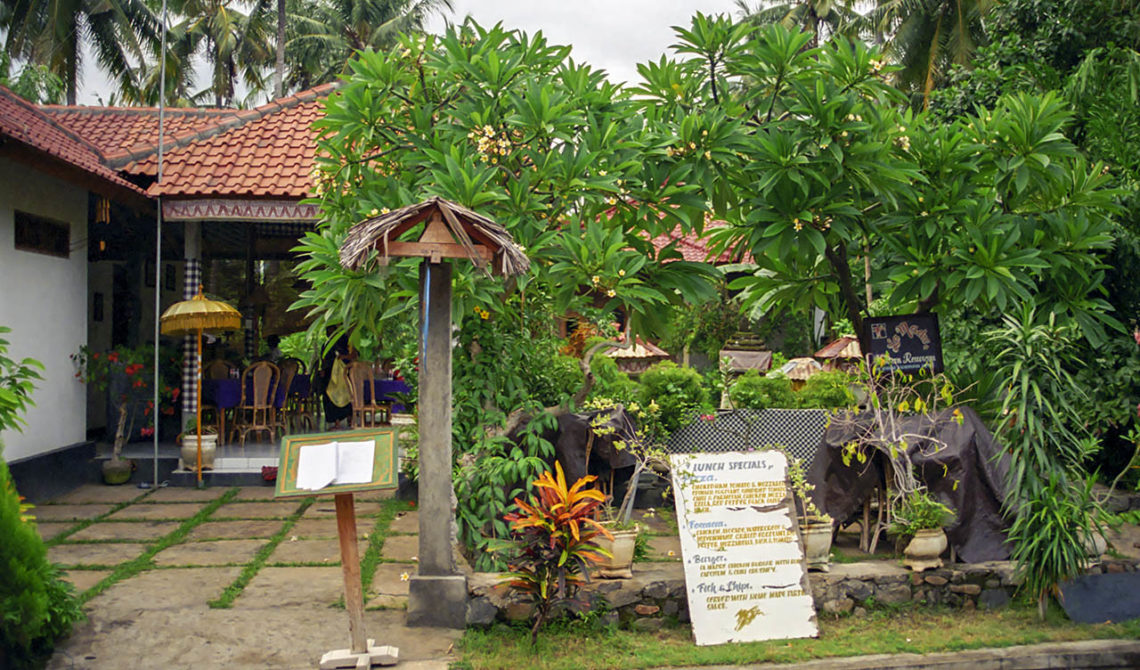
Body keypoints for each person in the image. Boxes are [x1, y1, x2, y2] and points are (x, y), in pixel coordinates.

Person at [317, 333, 353, 428]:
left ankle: (350, 419)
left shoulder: (346, 340)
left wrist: (343, 358)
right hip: (330, 375)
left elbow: (354, 355)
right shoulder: (326, 344)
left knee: (348, 395)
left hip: (345, 374)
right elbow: (324, 359)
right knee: (329, 395)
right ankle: (336, 421)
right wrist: (323, 370)